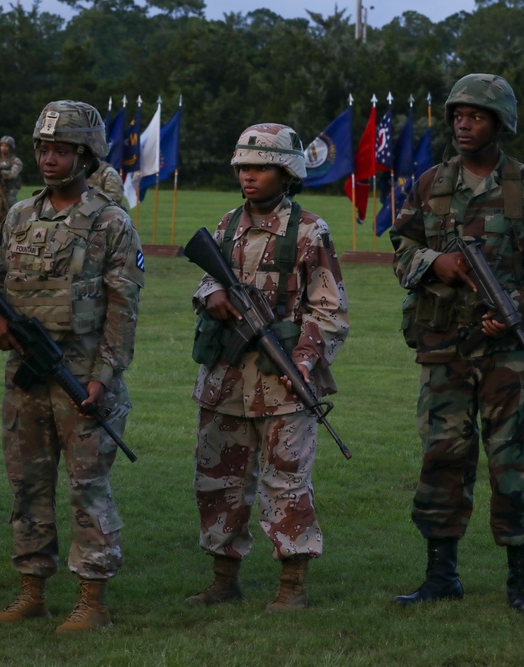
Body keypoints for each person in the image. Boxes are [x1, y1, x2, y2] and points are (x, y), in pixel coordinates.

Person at [390, 74, 524, 615]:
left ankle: (522, 582)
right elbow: (401, 245)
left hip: (507, 353)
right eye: (458, 115)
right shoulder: (430, 184)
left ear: (500, 124)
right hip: (443, 347)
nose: (464, 124)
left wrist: (517, 312)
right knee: (443, 456)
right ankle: (441, 576)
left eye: (477, 116)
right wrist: (433, 261)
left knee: (511, 461)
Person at [0, 100, 144, 633]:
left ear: (86, 155)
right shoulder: (20, 215)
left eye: (62, 150)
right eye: (44, 149)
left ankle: (92, 600)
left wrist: (103, 377)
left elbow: (123, 307)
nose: (49, 159)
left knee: (85, 488)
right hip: (26, 373)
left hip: (82, 374)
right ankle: (32, 589)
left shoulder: (110, 221)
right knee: (27, 484)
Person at [186, 123, 348, 612]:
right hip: (225, 380)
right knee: (219, 480)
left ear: (287, 172)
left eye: (260, 167)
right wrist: (210, 294)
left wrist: (300, 359)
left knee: (286, 482)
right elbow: (203, 280)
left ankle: (291, 586)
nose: (249, 176)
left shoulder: (308, 230)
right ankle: (223, 579)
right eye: (244, 168)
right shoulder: (227, 224)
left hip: (284, 383)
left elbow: (330, 309)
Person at [0, 135, 23, 229]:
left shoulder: (16, 161)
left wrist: (0, 173)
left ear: (11, 148)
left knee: (12, 220)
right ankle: (0, 240)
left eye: (6, 146)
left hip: (9, 194)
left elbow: (13, 174)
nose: (4, 148)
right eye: (2, 145)